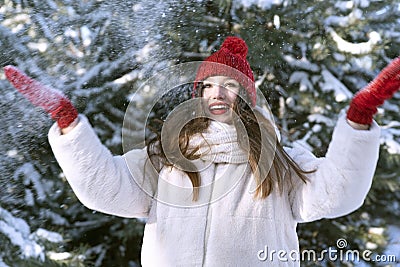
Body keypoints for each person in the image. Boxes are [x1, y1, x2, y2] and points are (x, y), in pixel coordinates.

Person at [3, 36, 399, 266]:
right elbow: (104, 188)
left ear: (245, 97)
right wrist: (68, 122)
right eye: (208, 86)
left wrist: (358, 119)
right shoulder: (165, 156)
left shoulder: (280, 160)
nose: (217, 95)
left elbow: (336, 193)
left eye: (228, 86)